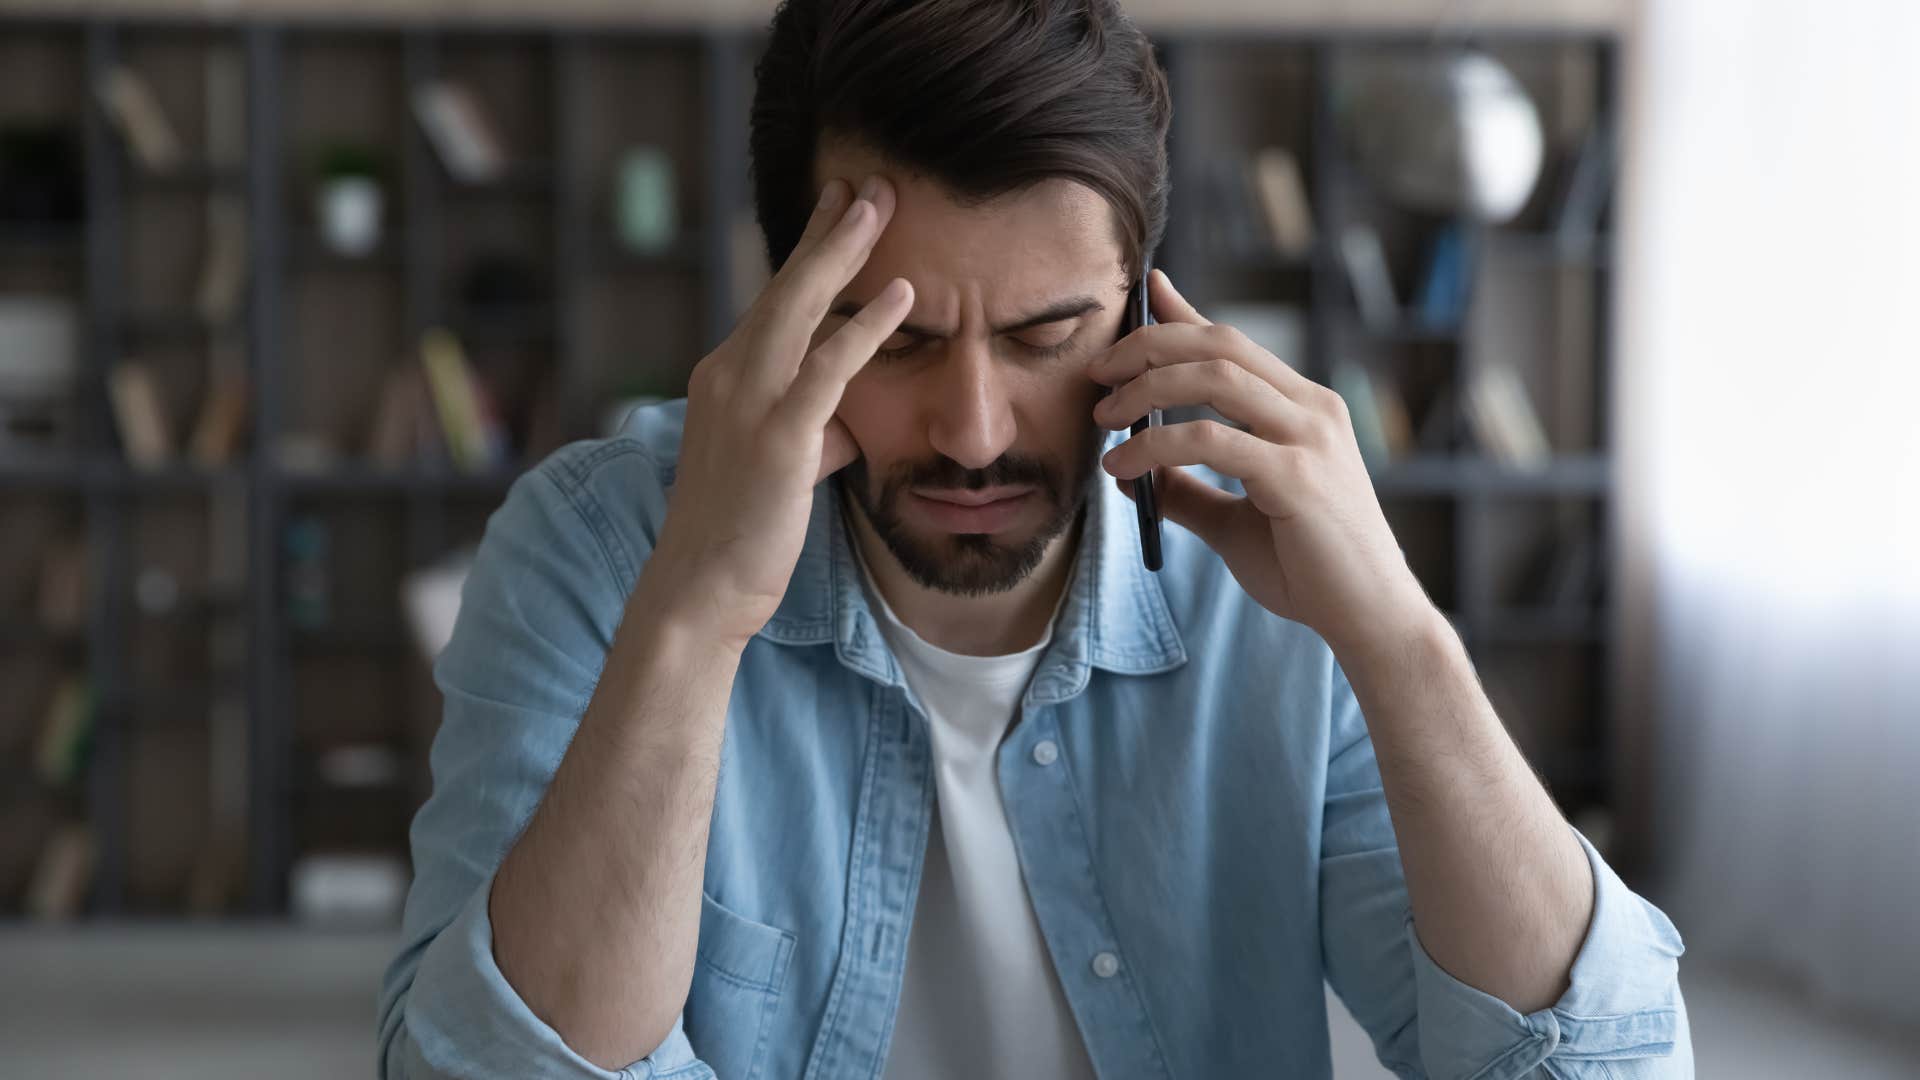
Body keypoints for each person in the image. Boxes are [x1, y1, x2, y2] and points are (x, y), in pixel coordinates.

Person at [377, 2, 1691, 1077]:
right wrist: (698, 610)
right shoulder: (597, 546)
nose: (970, 429)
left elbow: (1596, 1072)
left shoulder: (1275, 585)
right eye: (896, 340)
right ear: (786, 307)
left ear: (1142, 313)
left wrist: (1398, 638)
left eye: (1044, 336)